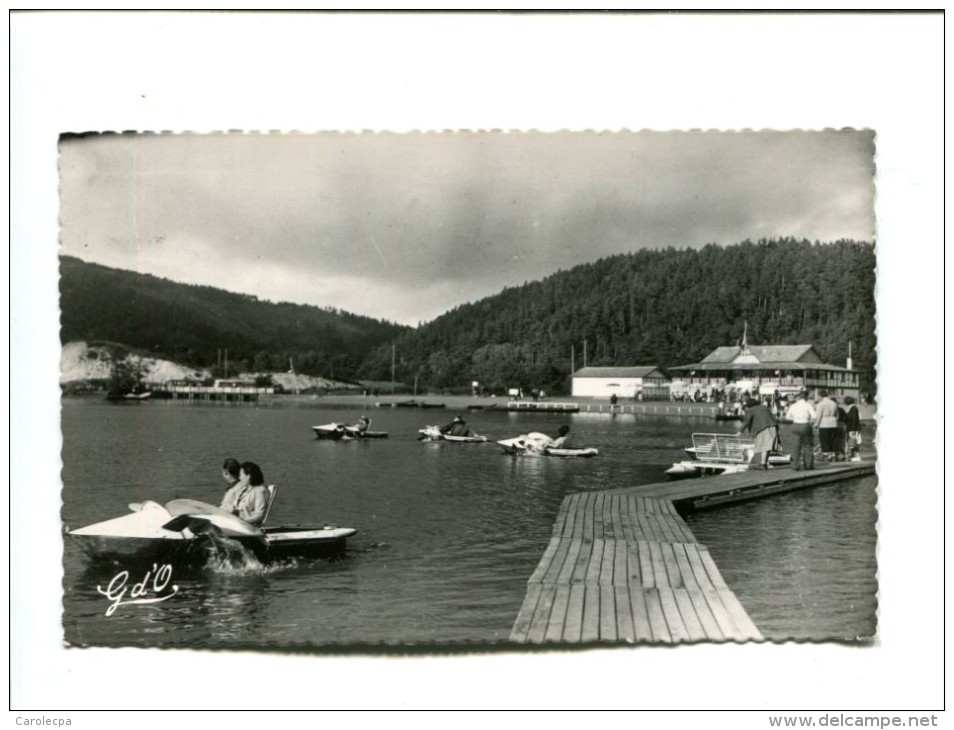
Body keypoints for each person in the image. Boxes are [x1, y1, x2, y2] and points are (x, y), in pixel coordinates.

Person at [220, 461, 270, 526]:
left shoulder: (259, 491)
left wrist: (244, 521)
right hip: (234, 523)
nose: (239, 478)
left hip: (246, 526)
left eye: (241, 475)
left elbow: (259, 515)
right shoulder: (244, 490)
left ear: (248, 476)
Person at [739, 398, 778, 470]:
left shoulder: (750, 410)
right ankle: (764, 463)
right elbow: (774, 418)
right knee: (768, 447)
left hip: (763, 429)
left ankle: (763, 465)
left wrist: (740, 431)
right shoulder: (764, 407)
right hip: (772, 427)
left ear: (749, 405)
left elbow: (746, 421)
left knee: (764, 447)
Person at [785, 391, 817, 471]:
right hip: (805, 424)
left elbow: (787, 417)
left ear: (798, 398)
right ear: (806, 397)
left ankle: (795, 466)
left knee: (796, 446)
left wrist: (795, 418)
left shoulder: (793, 406)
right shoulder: (808, 405)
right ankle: (808, 465)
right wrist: (809, 421)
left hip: (795, 425)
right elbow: (814, 416)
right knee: (808, 446)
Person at [814, 390, 840, 461]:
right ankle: (833, 455)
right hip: (834, 423)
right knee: (833, 440)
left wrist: (816, 424)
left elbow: (819, 415)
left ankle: (826, 455)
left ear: (820, 396)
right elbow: (837, 415)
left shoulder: (821, 404)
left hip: (824, 423)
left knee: (824, 440)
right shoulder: (834, 403)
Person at [843, 396, 862, 461]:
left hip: (853, 429)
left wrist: (853, 429)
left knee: (854, 442)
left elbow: (854, 419)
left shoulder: (853, 409)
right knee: (852, 442)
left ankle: (857, 456)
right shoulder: (853, 408)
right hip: (852, 428)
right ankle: (854, 455)